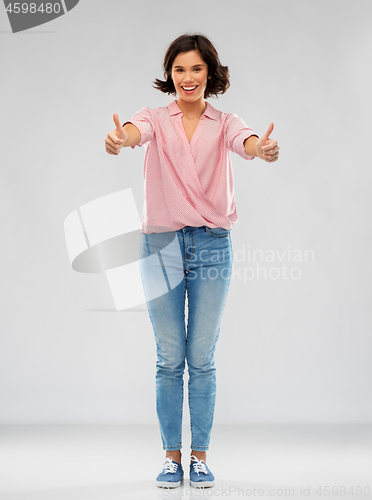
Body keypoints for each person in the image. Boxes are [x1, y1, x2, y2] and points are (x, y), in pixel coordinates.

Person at [104, 33, 279, 489]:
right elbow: (132, 134)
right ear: (170, 74)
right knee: (168, 357)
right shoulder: (154, 119)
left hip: (212, 244)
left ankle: (199, 456)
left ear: (210, 73)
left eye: (196, 69)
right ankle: (170, 456)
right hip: (160, 245)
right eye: (180, 69)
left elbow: (248, 142)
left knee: (201, 357)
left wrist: (262, 149)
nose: (188, 78)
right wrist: (120, 140)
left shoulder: (224, 122)